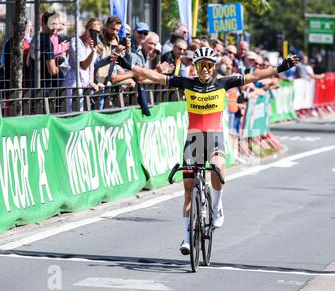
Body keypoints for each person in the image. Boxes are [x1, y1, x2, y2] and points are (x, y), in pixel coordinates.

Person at [131, 47, 299, 255]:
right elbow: (154, 76)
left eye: (210, 65)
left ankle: (217, 206)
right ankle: (186, 238)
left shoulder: (223, 82)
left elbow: (256, 75)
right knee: (188, 189)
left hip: (215, 136)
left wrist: (282, 67)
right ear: (196, 66)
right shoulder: (187, 83)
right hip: (193, 138)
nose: (206, 69)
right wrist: (126, 64)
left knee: (217, 167)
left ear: (213, 67)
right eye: (202, 65)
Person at [63, 17, 105, 112]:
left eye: (97, 32)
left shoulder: (93, 45)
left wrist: (91, 81)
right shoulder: (75, 42)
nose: (93, 34)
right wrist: (93, 51)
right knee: (70, 114)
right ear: (86, 29)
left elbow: (91, 67)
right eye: (91, 30)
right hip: (73, 85)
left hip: (85, 86)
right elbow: (83, 65)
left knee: (82, 115)